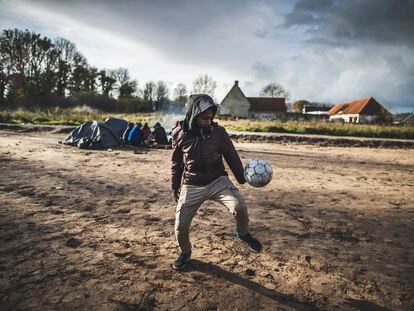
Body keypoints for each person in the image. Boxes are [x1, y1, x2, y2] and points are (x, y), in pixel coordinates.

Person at [171, 94, 262, 270]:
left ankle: (243, 234)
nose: (209, 120)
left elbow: (231, 155)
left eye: (211, 117)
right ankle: (185, 252)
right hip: (192, 183)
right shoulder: (179, 134)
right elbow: (177, 163)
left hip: (217, 180)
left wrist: (241, 178)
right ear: (194, 114)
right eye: (205, 117)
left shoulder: (218, 132)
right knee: (180, 226)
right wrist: (175, 185)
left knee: (239, 207)